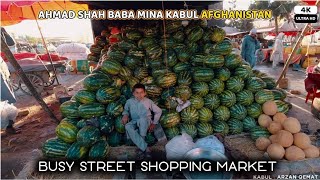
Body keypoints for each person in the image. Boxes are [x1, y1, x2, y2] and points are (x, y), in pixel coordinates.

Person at [122, 83, 162, 159]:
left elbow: (159, 111)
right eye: (137, 93)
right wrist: (125, 115)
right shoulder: (129, 102)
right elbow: (126, 110)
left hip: (146, 121)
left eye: (141, 92)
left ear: (145, 93)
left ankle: (142, 149)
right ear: (133, 93)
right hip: (135, 121)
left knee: (142, 119)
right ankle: (145, 147)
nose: (139, 95)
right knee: (127, 126)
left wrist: (154, 123)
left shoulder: (148, 101)